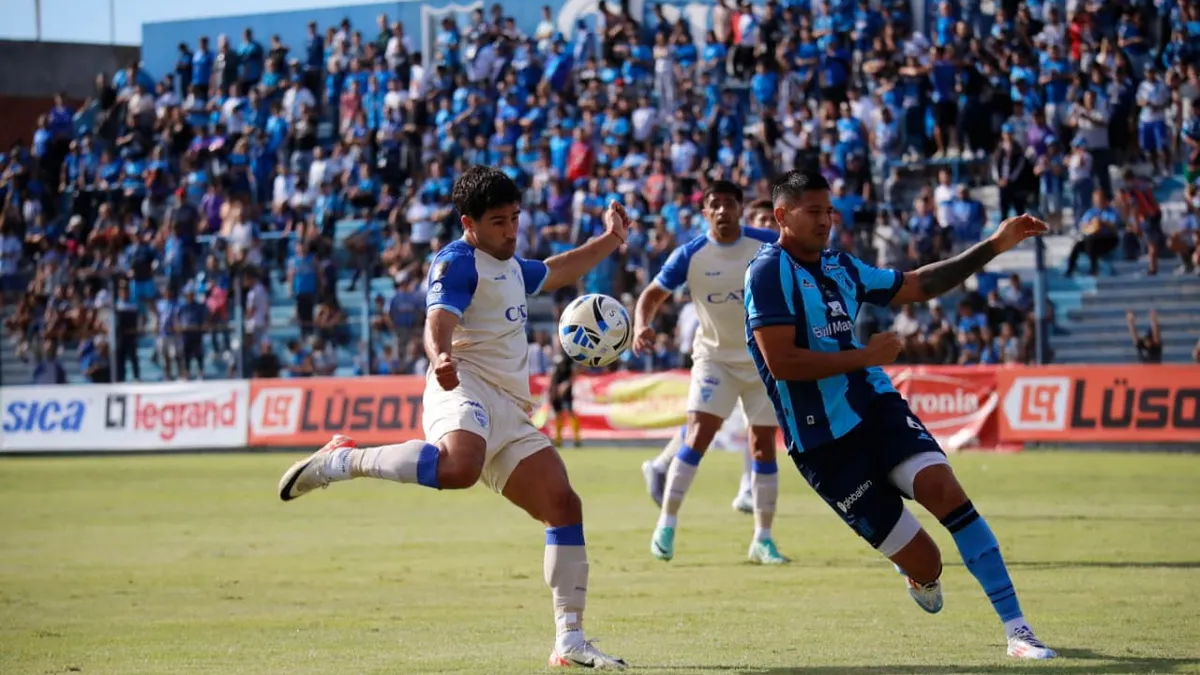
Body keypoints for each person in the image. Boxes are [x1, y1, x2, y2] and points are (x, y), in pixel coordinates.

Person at [277, 166, 628, 670]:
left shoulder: (511, 265)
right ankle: (342, 461)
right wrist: (440, 355)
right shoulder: (457, 261)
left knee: (563, 505)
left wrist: (612, 239)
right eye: (498, 222)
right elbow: (437, 319)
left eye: (514, 218)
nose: (510, 230)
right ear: (469, 223)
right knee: (459, 467)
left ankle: (569, 642)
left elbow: (558, 270)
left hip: (511, 408)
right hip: (462, 384)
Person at [743, 170, 1057, 660]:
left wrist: (994, 246)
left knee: (945, 490)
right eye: (814, 211)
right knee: (927, 561)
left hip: (875, 407)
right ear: (782, 216)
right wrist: (865, 355)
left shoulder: (841, 266)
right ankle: (918, 574)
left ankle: (1019, 630)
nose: (826, 221)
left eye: (829, 211)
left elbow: (918, 284)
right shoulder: (766, 273)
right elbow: (782, 363)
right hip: (823, 446)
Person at [632, 180, 787, 565]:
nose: (722, 210)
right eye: (714, 204)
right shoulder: (690, 254)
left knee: (763, 444)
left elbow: (811, 264)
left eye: (728, 203)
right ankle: (666, 525)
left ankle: (763, 539)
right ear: (705, 212)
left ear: (739, 209)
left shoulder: (769, 243)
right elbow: (651, 295)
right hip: (714, 359)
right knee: (699, 434)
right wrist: (641, 325)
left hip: (763, 361)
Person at [549, 355, 581, 448]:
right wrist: (553, 394)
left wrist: (566, 385)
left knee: (570, 413)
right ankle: (558, 438)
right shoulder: (555, 371)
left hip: (566, 395)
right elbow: (553, 383)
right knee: (558, 415)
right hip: (556, 395)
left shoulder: (568, 367)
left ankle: (576, 437)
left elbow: (573, 375)